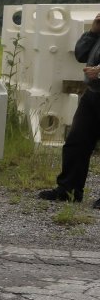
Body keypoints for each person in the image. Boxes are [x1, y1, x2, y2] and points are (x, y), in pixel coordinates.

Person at [39, 11, 100, 206]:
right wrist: (93, 32)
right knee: (77, 142)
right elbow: (81, 54)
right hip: (93, 93)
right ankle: (68, 190)